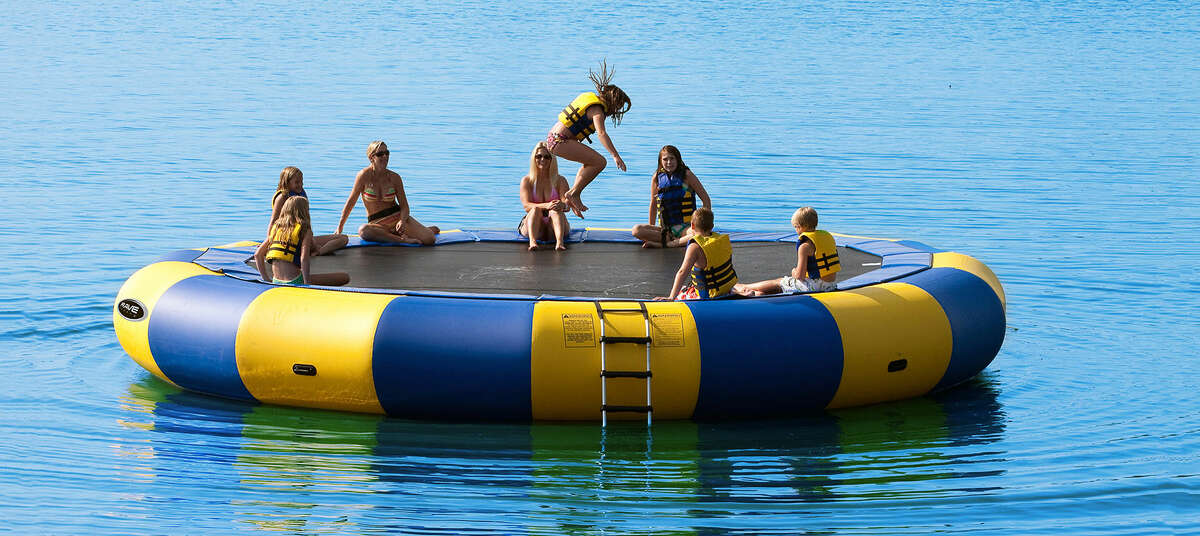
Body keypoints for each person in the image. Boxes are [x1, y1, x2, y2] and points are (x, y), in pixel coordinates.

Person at [545, 60, 631, 218]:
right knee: (600, 162)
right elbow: (601, 133)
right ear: (613, 101)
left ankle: (574, 194)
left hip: (553, 138)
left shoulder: (590, 100)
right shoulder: (597, 110)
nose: (616, 112)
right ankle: (573, 193)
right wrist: (615, 155)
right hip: (559, 141)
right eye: (617, 107)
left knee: (591, 162)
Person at [336, 141, 440, 245]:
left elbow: (404, 206)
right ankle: (401, 239)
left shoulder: (395, 178)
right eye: (380, 154)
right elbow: (351, 202)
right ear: (371, 158)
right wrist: (340, 227)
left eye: (387, 153)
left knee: (430, 239)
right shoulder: (363, 176)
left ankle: (415, 231)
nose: (385, 156)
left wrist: (402, 221)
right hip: (377, 223)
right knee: (363, 231)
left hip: (397, 217)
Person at [733, 207, 840, 296]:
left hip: (814, 288)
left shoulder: (805, 247)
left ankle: (743, 287)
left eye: (796, 227)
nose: (796, 230)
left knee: (780, 282)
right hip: (829, 285)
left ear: (801, 227)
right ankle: (758, 294)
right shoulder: (825, 238)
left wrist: (794, 271)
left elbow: (800, 276)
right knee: (785, 286)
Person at [255, 196, 350, 287]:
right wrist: (307, 283)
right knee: (344, 277)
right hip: (294, 281)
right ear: (305, 211)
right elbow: (304, 258)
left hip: (276, 281)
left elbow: (258, 255)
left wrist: (266, 279)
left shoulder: (276, 228)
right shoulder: (304, 229)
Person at [631, 145, 712, 248]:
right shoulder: (657, 178)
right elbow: (653, 204)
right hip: (666, 229)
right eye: (665, 159)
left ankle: (668, 244)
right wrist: (651, 229)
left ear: (678, 159)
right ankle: (670, 240)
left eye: (672, 158)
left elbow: (706, 200)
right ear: (660, 162)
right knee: (636, 230)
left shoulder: (687, 175)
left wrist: (704, 225)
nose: (669, 162)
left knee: (699, 234)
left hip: (686, 228)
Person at [656, 207, 739, 301]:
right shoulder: (721, 240)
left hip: (709, 295)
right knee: (686, 287)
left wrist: (671, 297)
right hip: (726, 288)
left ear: (692, 225)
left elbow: (682, 272)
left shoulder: (695, 247)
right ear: (712, 226)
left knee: (681, 293)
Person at [269, 166, 348, 256]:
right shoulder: (282, 198)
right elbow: (273, 221)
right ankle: (315, 250)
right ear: (287, 182)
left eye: (301, 181)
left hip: (302, 238)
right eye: (297, 182)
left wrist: (310, 240)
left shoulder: (301, 194)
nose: (300, 185)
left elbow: (306, 219)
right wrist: (270, 242)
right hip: (288, 239)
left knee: (343, 239)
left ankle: (318, 251)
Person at [518, 142, 571, 251]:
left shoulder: (560, 180)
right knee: (535, 209)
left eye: (547, 157)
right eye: (539, 156)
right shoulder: (527, 181)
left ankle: (559, 243)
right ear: (534, 158)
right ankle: (532, 242)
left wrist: (562, 205)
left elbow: (567, 206)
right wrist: (547, 205)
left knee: (555, 211)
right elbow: (526, 206)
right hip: (535, 226)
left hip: (554, 227)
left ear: (552, 160)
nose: (542, 159)